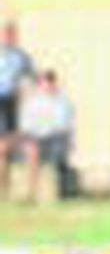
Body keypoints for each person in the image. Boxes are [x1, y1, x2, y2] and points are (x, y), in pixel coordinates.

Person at [18, 69, 74, 203]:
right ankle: (31, 193)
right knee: (32, 152)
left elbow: (62, 125)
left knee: (55, 153)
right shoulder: (32, 103)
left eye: (50, 83)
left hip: (56, 139)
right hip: (36, 138)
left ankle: (61, 191)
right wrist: (33, 136)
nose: (47, 86)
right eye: (44, 83)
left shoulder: (63, 102)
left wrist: (43, 129)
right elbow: (26, 124)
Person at [0, 21, 37, 192]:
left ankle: (5, 184)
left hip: (10, 100)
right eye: (6, 35)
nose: (9, 38)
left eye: (12, 35)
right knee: (3, 144)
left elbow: (33, 74)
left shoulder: (21, 56)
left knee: (7, 141)